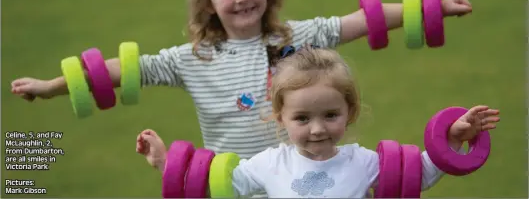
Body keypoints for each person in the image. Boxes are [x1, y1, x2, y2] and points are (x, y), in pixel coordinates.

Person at [11, 0, 473, 160]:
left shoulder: (294, 37)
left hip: (304, 172)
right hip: (232, 180)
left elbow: (359, 21)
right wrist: (52, 87)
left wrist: (438, 8)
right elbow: (119, 70)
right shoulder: (191, 58)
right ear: (208, 2)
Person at [137, 47, 500, 198]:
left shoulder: (364, 162)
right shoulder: (268, 163)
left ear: (350, 112)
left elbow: (417, 174)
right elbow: (217, 184)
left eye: (330, 115)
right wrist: (165, 163)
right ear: (280, 117)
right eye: (302, 118)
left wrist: (452, 138)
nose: (317, 129)